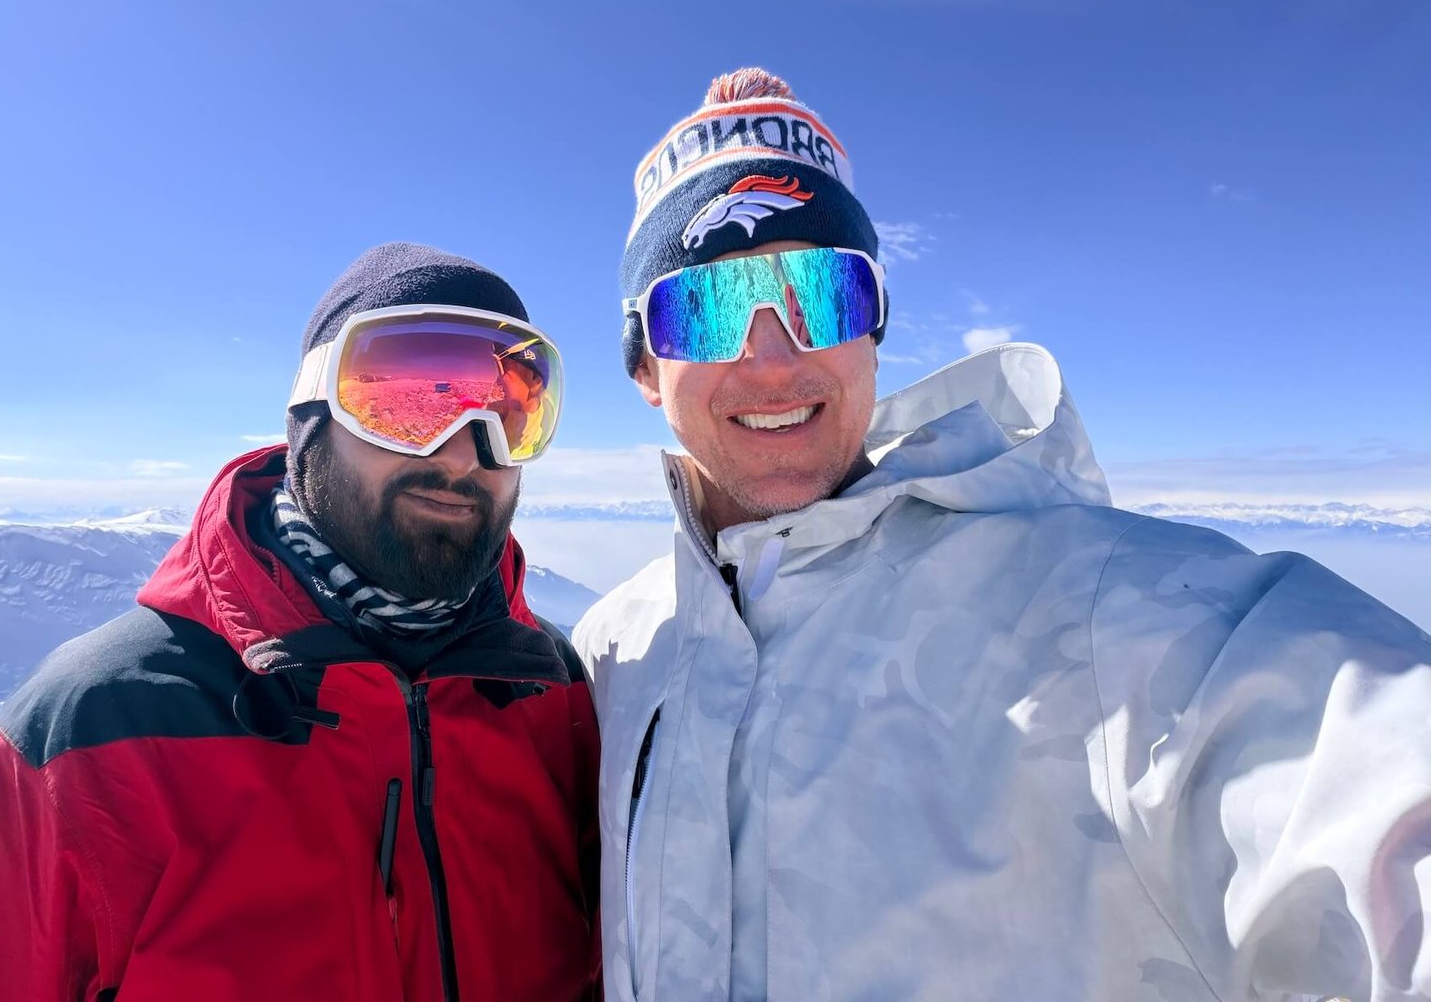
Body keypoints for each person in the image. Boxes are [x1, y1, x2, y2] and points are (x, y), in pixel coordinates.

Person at [572, 68, 1431, 1001]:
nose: (773, 357)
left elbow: (1358, 770)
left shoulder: (1107, 618)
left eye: (822, 294)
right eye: (702, 308)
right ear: (645, 369)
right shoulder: (615, 655)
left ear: (875, 332)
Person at [0, 243, 601, 1001]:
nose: (463, 453)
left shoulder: (554, 693)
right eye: (408, 402)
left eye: (513, 412)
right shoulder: (90, 732)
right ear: (308, 416)